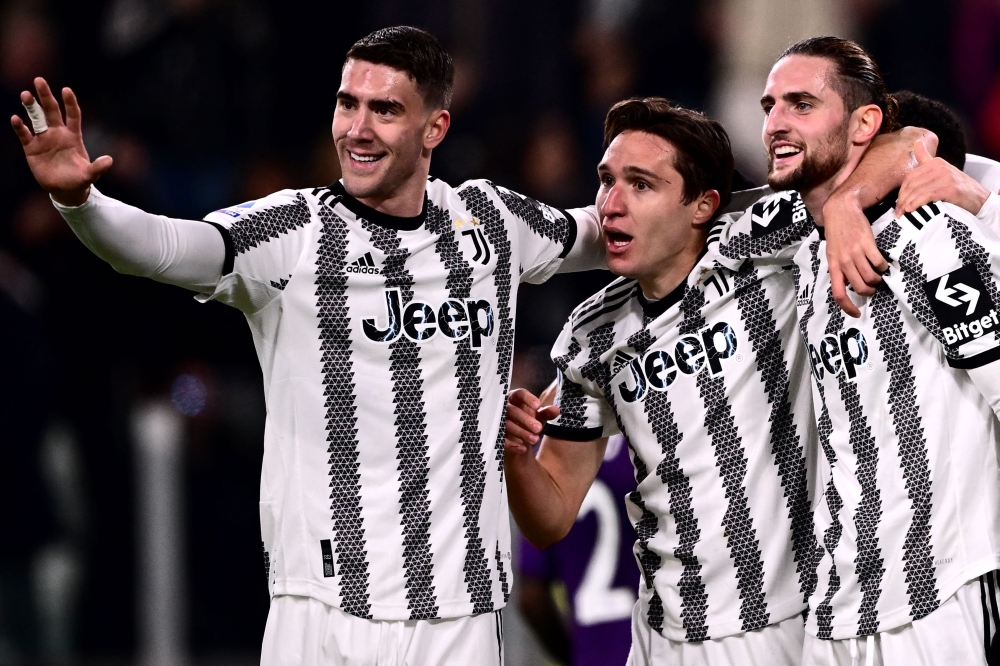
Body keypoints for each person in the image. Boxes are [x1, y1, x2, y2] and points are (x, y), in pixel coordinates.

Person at [10, 26, 606, 665]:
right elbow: (165, 248)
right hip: (321, 612)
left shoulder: (490, 222)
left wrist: (715, 212)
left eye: (385, 109)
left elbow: (608, 232)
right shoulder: (293, 231)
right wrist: (82, 203)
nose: (357, 128)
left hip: (455, 615)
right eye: (348, 103)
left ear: (435, 129)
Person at [715, 35, 1000, 665]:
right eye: (769, 106)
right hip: (839, 607)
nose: (774, 124)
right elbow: (676, 233)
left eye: (800, 104)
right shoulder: (807, 243)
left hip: (937, 600)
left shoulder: (929, 234)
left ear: (864, 124)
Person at [504, 96, 817, 666]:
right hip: (658, 635)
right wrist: (519, 455)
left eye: (641, 185)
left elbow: (893, 156)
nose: (611, 206)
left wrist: (840, 211)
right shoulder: (592, 333)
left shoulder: (767, 263)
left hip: (780, 626)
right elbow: (550, 519)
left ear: (702, 206)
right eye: (606, 181)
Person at [517, 431, 639, 666]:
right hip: (661, 647)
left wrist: (572, 656)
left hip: (590, 653)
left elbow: (531, 597)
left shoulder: (551, 451)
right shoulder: (655, 442)